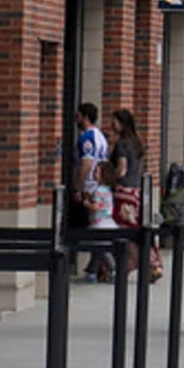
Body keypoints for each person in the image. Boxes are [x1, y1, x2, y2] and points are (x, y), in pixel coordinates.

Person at [105, 108, 162, 283]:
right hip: (137, 192)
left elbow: (122, 170)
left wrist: (109, 175)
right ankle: (152, 262)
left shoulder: (121, 144)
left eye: (114, 121)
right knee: (139, 230)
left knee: (126, 233)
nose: (111, 125)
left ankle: (136, 265)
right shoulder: (137, 142)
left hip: (124, 193)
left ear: (121, 123)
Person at [76, 102, 114, 281]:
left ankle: (101, 268)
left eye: (78, 115)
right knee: (97, 239)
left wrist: (79, 187)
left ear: (84, 116)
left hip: (90, 187)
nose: (77, 118)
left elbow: (87, 163)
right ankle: (93, 270)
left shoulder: (87, 137)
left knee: (94, 236)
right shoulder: (101, 137)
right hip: (99, 186)